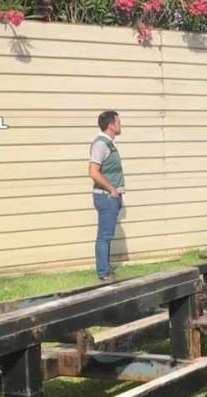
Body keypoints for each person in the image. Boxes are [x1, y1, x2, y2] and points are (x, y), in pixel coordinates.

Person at [89, 110, 124, 281]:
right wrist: (112, 190)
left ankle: (107, 270)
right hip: (105, 196)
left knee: (107, 235)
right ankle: (103, 273)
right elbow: (93, 172)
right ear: (111, 124)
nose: (120, 124)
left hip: (110, 196)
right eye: (118, 121)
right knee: (104, 236)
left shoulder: (109, 144)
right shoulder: (100, 144)